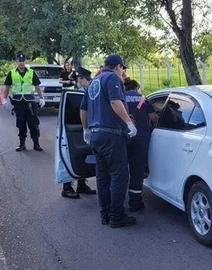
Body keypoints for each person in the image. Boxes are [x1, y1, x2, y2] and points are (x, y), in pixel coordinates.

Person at [80, 54, 138, 228]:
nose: (123, 72)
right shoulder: (112, 77)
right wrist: (129, 122)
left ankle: (105, 214)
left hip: (96, 135)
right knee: (120, 175)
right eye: (122, 68)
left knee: (103, 176)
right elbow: (115, 101)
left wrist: (86, 129)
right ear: (118, 66)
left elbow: (83, 109)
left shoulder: (94, 82)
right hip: (111, 134)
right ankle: (116, 216)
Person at [59, 66, 97, 199]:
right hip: (70, 129)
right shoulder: (70, 91)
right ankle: (67, 187)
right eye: (86, 79)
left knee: (82, 156)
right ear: (79, 78)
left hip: (84, 127)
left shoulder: (88, 90)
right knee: (67, 157)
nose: (88, 82)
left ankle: (81, 184)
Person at [124, 79, 159, 211]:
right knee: (137, 170)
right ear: (137, 88)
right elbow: (154, 118)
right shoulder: (143, 99)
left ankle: (117, 200)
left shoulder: (120, 98)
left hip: (123, 137)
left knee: (120, 170)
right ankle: (135, 201)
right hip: (140, 138)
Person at [2, 52, 46, 152]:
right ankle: (22, 144)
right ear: (16, 62)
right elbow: (7, 86)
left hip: (30, 102)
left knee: (33, 124)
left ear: (25, 62)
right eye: (19, 61)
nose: (21, 63)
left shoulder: (31, 72)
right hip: (18, 103)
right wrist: (4, 98)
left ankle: (36, 144)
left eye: (23, 61)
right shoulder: (12, 73)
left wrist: (41, 97)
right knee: (21, 124)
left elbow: (37, 86)